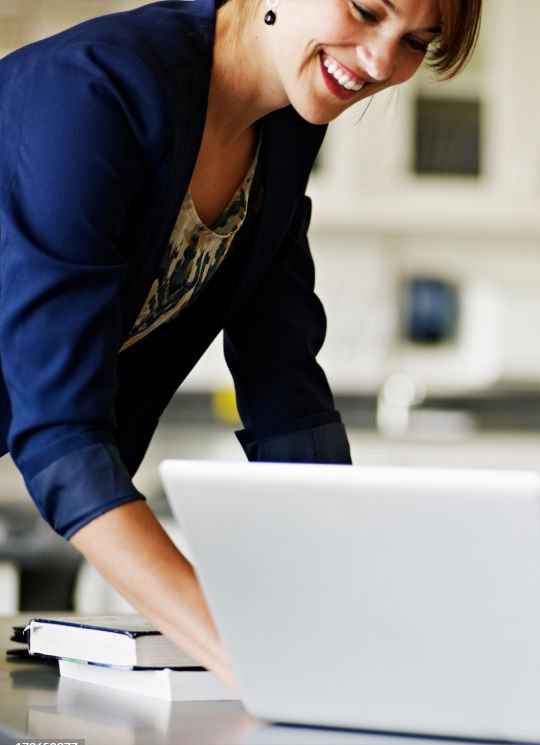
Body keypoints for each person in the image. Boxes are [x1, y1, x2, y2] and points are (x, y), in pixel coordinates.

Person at [0, 0, 480, 686]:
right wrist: (250, 657)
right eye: (367, 10)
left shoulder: (285, 127)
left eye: (415, 43)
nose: (380, 63)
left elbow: (283, 386)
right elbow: (59, 437)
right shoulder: (96, 92)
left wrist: (363, 606)